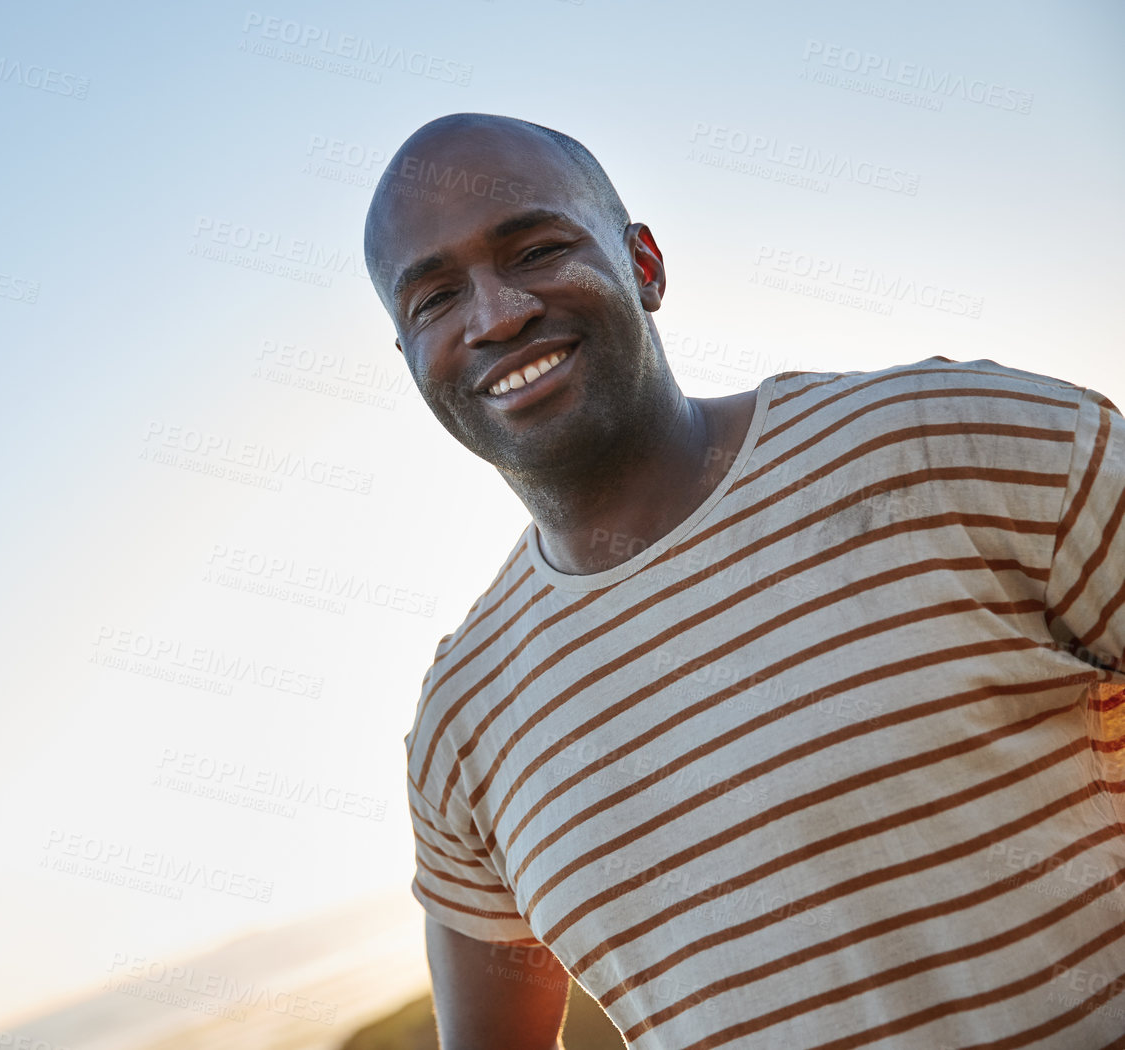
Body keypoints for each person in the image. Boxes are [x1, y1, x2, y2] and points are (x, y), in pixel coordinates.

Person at [362, 113, 1125, 1049]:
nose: (494, 315)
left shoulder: (958, 442)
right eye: (433, 299)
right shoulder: (464, 717)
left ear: (644, 264)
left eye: (537, 248)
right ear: (408, 360)